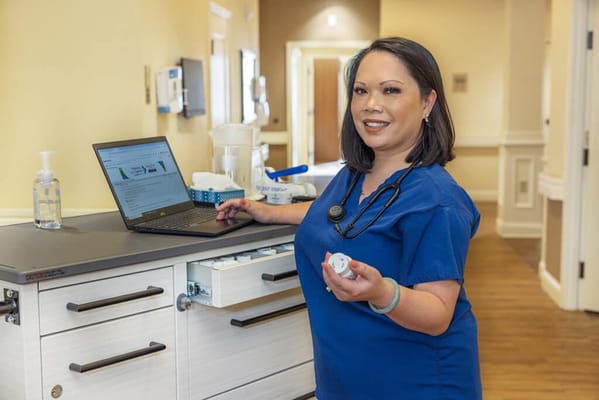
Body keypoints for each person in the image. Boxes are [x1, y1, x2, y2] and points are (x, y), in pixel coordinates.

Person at [217, 36, 482, 399]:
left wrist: (382, 293)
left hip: (416, 382)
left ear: (427, 102)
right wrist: (267, 211)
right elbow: (341, 216)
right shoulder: (356, 174)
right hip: (346, 376)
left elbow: (438, 314)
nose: (371, 105)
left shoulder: (438, 201)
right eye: (361, 91)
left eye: (390, 90)